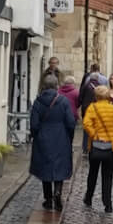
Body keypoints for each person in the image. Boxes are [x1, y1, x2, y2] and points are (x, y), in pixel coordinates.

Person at [30, 74, 76, 211]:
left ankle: (48, 199)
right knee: (59, 166)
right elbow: (71, 123)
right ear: (57, 85)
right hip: (61, 136)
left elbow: (34, 125)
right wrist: (69, 137)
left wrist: (36, 136)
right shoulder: (63, 101)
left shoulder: (38, 102)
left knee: (45, 167)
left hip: (43, 137)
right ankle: (58, 192)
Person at [82, 85, 113, 214]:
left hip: (95, 147)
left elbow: (86, 123)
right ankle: (108, 204)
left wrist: (95, 135)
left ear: (96, 96)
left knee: (92, 173)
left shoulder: (92, 108)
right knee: (107, 176)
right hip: (110, 148)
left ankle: (89, 198)